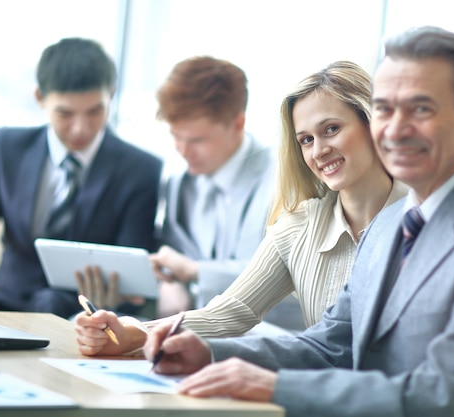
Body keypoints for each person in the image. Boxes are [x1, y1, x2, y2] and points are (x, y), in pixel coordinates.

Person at [143, 26, 454, 417]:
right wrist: (211, 352)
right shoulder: (392, 223)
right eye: (385, 109)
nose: (394, 128)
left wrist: (274, 386)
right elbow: (330, 346)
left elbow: (441, 397)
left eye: (420, 108)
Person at [74, 61, 407, 355]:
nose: (318, 150)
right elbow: (230, 312)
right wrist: (133, 333)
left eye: (331, 129)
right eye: (306, 140)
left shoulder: (426, 219)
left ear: (373, 122)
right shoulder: (297, 228)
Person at [0, 37, 163, 318]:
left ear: (111, 94)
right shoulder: (9, 147)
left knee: (51, 304)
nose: (79, 128)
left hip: (77, 315)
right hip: (6, 306)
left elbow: (133, 264)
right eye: (65, 113)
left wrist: (115, 296)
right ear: (40, 98)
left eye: (95, 111)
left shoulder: (141, 169)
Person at [79, 55, 305, 330]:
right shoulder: (178, 185)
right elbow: (172, 264)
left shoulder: (288, 179)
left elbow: (294, 282)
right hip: (189, 342)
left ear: (238, 123)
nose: (183, 151)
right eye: (176, 136)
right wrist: (168, 283)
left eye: (197, 140)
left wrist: (196, 274)